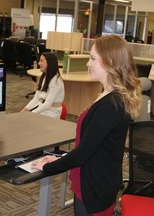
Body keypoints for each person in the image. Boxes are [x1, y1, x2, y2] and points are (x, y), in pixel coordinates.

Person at [32, 35, 142, 216]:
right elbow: (92, 145)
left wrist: (47, 167)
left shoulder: (112, 105)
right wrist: (59, 160)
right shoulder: (107, 95)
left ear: (110, 62)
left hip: (95, 189)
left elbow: (83, 153)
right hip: (91, 181)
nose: (87, 64)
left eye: (92, 58)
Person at [21, 52, 65, 118]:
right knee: (22, 118)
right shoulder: (44, 77)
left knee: (26, 121)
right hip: (42, 107)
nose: (39, 63)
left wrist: (30, 114)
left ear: (49, 63)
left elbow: (47, 105)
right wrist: (24, 110)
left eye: (41, 61)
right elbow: (36, 98)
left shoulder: (56, 81)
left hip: (51, 112)